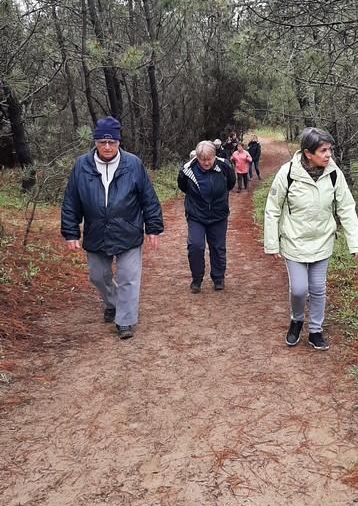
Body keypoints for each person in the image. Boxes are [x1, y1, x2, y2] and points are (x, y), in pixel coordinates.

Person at [61, 116, 164, 341]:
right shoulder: (82, 165)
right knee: (98, 275)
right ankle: (112, 302)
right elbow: (71, 201)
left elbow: (148, 198)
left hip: (128, 231)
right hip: (96, 232)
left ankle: (125, 320)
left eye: (112, 142)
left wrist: (153, 227)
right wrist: (71, 231)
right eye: (102, 142)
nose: (107, 147)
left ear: (119, 142)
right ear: (95, 142)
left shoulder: (133, 164)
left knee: (128, 276)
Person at [264, 127, 358, 351]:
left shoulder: (335, 174)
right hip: (294, 240)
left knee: (318, 288)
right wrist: (272, 243)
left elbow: (346, 207)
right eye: (323, 150)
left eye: (330, 150)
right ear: (308, 153)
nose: (329, 155)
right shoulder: (287, 173)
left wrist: (354, 243)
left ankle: (316, 330)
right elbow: (272, 209)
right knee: (299, 289)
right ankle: (297, 320)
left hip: (322, 240)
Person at [177, 140, 236, 292]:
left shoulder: (225, 166)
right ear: (196, 157)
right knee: (195, 246)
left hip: (218, 215)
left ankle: (218, 278)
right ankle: (196, 279)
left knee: (217, 247)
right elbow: (183, 187)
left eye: (209, 159)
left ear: (214, 156)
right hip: (196, 215)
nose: (206, 162)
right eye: (202, 159)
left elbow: (230, 184)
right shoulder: (187, 170)